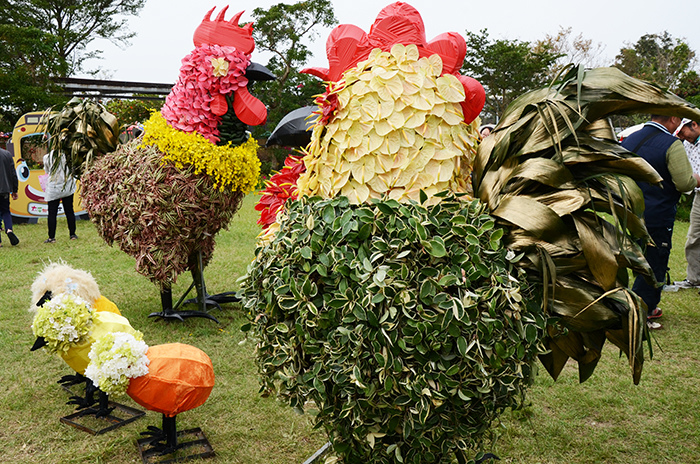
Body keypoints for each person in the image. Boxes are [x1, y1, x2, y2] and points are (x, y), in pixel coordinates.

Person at [621, 115, 700, 329]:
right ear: (673, 118)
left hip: (631, 211)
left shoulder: (631, 138)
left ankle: (648, 307)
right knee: (654, 262)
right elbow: (684, 183)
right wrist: (696, 179)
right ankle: (640, 314)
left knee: (639, 258)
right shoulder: (670, 143)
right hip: (658, 212)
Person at [673, 118, 700, 288]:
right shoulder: (688, 144)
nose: (682, 137)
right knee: (694, 237)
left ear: (694, 125)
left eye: (683, 132)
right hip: (699, 196)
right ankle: (694, 279)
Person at [42, 151, 78, 243]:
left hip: (54, 188)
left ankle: (51, 237)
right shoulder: (68, 155)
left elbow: (46, 171)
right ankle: (72, 234)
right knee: (69, 210)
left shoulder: (47, 157)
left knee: (52, 213)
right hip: (67, 186)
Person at [0, 146, 19, 247]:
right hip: (4, 189)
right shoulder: (7, 154)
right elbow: (13, 174)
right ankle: (9, 229)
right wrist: (14, 190)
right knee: (6, 211)